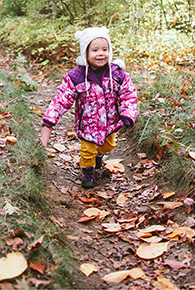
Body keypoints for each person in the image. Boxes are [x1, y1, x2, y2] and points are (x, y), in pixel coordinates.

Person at [40, 27, 138, 188]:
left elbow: (129, 94)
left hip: (110, 123)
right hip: (88, 124)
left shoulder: (117, 75)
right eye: (95, 50)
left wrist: (128, 113)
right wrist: (49, 121)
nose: (101, 54)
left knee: (108, 145)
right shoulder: (76, 77)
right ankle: (88, 172)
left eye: (104, 49)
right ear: (85, 53)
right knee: (87, 150)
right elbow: (62, 99)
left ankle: (99, 155)